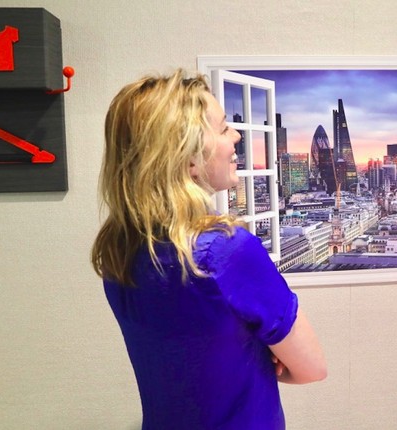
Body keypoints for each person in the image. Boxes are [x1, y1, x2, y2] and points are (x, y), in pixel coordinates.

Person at [91, 69, 326, 430]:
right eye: (221, 128)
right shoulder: (225, 251)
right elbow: (311, 368)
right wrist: (266, 357)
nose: (235, 136)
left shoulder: (119, 251)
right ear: (187, 157)